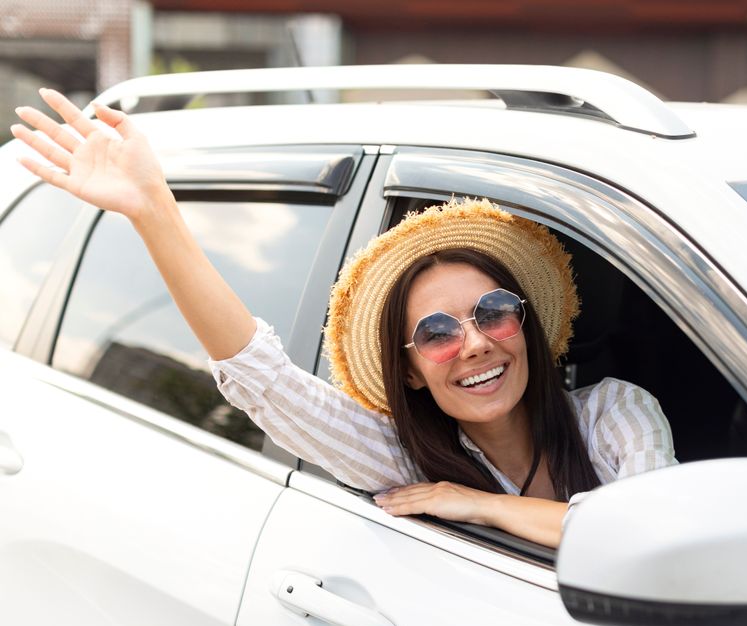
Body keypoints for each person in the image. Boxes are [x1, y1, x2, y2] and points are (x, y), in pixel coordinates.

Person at [11, 88, 676, 548]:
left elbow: (644, 535)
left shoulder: (615, 413)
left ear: (524, 327)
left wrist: (481, 505)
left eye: (494, 313)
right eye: (436, 333)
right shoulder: (403, 459)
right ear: (410, 373)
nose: (474, 343)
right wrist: (153, 208)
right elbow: (261, 377)